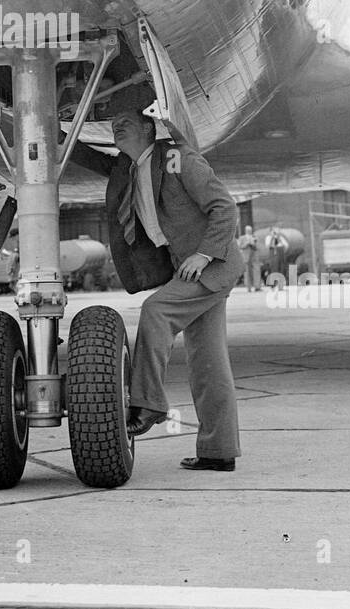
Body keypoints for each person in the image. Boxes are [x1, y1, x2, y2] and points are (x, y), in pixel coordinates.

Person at [106, 109, 244, 472]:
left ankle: (149, 404)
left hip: (210, 266)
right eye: (114, 126)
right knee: (208, 364)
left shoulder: (177, 158)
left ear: (149, 129)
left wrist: (204, 253)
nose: (117, 126)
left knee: (156, 310)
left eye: (126, 123)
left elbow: (225, 208)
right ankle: (219, 452)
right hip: (189, 266)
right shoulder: (133, 168)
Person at [237, 224, 260, 291]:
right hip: (246, 256)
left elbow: (257, 247)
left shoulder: (254, 237)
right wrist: (247, 243)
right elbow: (239, 246)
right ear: (246, 230)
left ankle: (257, 286)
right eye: (248, 230)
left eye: (250, 229)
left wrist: (254, 242)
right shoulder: (242, 238)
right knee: (247, 271)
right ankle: (248, 287)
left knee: (256, 270)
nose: (249, 231)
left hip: (254, 255)